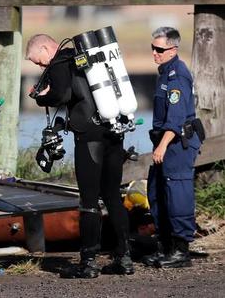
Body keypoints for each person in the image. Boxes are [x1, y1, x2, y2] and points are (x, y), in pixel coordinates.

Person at [25, 34, 133, 278]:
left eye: (38, 61)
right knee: (113, 194)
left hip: (89, 137)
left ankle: (89, 262)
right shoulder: (87, 57)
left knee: (89, 200)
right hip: (114, 129)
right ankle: (124, 257)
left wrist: (40, 95)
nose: (41, 66)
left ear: (45, 47)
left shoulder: (60, 62)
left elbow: (61, 96)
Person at [143, 27, 202, 268]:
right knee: (157, 192)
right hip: (165, 143)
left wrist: (162, 146)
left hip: (177, 144)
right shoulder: (165, 73)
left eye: (159, 49)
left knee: (177, 194)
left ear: (173, 50)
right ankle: (165, 247)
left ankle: (181, 250)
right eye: (153, 48)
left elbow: (176, 119)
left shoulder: (177, 76)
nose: (154, 53)